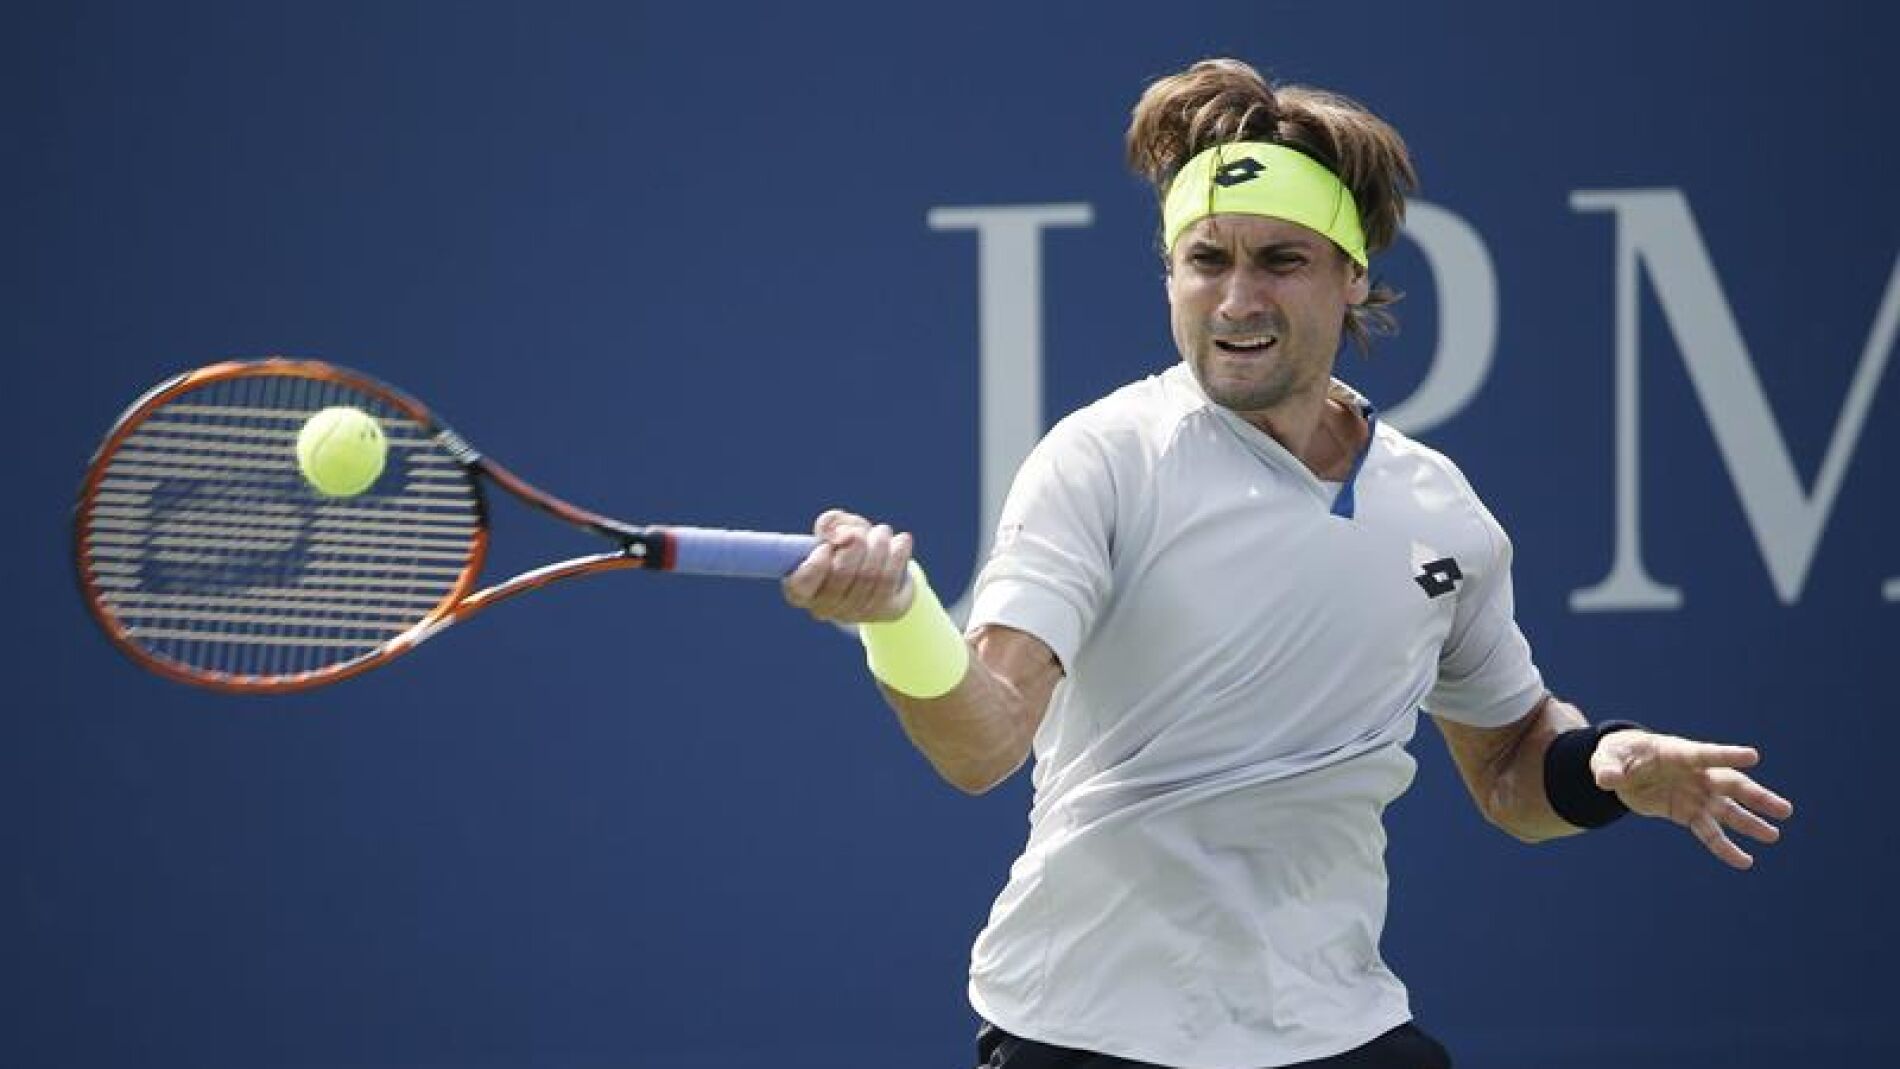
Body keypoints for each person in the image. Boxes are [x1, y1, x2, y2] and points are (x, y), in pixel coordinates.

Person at [781, 57, 1794, 1069]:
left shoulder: (1438, 508)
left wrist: (1600, 767)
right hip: (1087, 1033)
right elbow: (981, 745)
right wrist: (897, 619)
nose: (1235, 298)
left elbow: (1508, 767)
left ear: (1353, 273)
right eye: (1204, 258)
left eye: (1279, 260)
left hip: (1337, 1027)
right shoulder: (1102, 460)